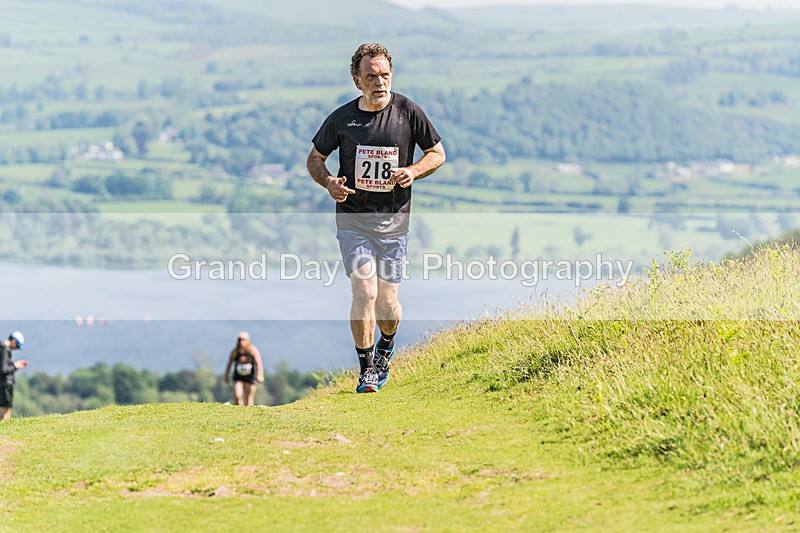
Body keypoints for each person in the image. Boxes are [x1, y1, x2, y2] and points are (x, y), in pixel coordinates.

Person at [307, 42, 446, 393]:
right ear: (357, 81)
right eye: (371, 76)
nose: (379, 82)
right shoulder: (342, 118)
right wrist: (328, 183)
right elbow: (314, 158)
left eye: (384, 75)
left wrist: (413, 172)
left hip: (394, 221)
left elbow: (437, 153)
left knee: (387, 304)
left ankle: (387, 343)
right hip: (353, 219)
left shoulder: (408, 112)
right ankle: (367, 367)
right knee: (364, 289)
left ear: (392, 74)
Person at [223, 332, 264, 406]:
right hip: (238, 377)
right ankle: (239, 411)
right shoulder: (235, 351)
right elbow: (229, 363)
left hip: (250, 377)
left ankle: (248, 415)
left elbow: (259, 363)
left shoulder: (253, 350)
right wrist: (226, 375)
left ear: (248, 341)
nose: (242, 342)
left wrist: (260, 375)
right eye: (240, 340)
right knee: (237, 395)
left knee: (248, 399)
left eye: (244, 340)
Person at [1, 331, 29, 420]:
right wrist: (14, 366)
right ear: (13, 341)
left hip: (3, 384)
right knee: (5, 411)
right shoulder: (5, 348)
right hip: (5, 385)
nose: (16, 348)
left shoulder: (2, 347)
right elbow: (3, 369)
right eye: (17, 346)